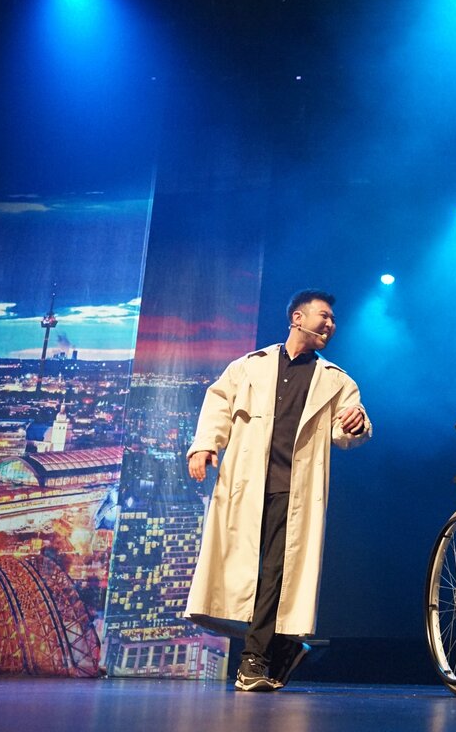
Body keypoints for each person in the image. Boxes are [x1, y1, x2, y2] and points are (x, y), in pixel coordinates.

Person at [184, 289, 372, 691]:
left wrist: (356, 425)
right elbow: (218, 402)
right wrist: (204, 445)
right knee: (245, 574)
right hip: (247, 484)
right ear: (297, 319)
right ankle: (284, 647)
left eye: (333, 319)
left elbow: (348, 428)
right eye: (324, 316)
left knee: (274, 573)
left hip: (295, 490)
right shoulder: (250, 366)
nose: (331, 324)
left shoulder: (336, 380)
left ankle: (253, 660)